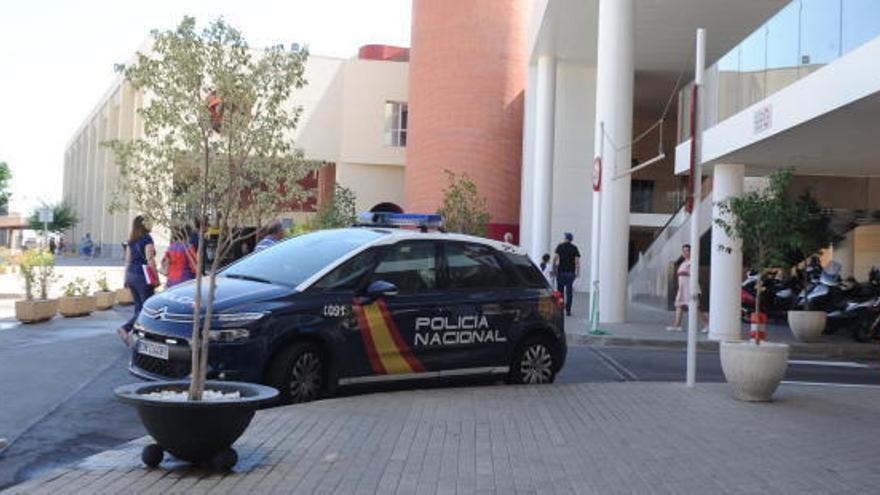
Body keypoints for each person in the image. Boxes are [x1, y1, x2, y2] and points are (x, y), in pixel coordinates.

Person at [117, 216, 158, 347]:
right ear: (144, 225)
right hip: (142, 276)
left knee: (138, 308)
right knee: (147, 308)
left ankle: (135, 336)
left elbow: (127, 261)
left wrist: (125, 280)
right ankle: (125, 328)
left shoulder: (131, 241)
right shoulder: (147, 239)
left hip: (131, 275)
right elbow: (150, 260)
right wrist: (155, 278)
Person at [666, 244, 708, 332]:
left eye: (687, 251)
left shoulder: (693, 261)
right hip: (682, 287)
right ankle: (676, 325)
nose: (685, 253)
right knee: (679, 305)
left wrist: (684, 274)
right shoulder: (684, 262)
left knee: (693, 306)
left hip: (689, 287)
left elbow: (695, 274)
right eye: (683, 251)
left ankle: (706, 324)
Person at [553, 232, 581, 316]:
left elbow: (555, 259)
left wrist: (554, 270)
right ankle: (568, 310)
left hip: (561, 272)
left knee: (560, 292)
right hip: (570, 273)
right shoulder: (574, 248)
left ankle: (560, 309)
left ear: (565, 238)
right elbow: (577, 262)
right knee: (569, 292)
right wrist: (577, 272)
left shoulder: (560, 246)